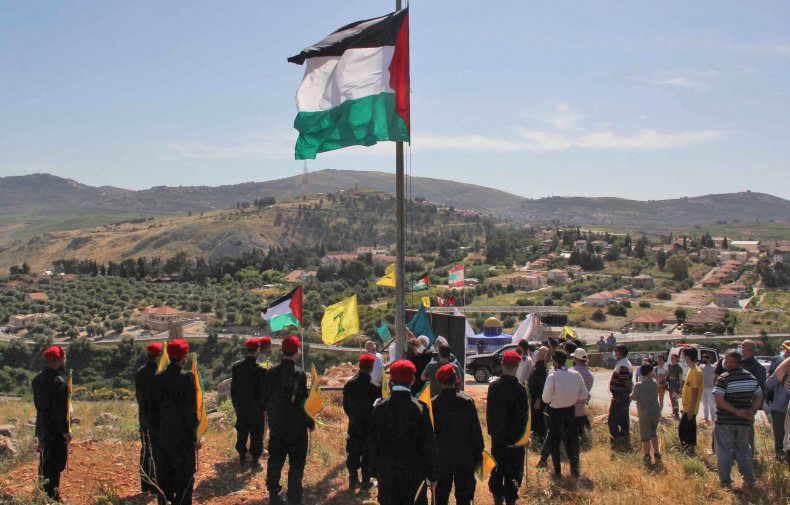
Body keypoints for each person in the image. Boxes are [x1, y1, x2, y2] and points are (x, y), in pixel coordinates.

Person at [369, 360, 438, 505]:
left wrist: (374, 471)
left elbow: (372, 442)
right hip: (414, 475)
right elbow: (428, 445)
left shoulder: (380, 408)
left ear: (391, 380)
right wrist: (433, 476)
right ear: (412, 380)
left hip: (387, 473)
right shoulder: (420, 409)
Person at [264, 336, 315, 505]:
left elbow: (267, 398)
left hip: (277, 424)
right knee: (296, 461)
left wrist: (270, 416)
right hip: (296, 427)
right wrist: (310, 422)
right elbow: (302, 401)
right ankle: (294, 497)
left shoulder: (271, 372)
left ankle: (273, 494)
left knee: (276, 458)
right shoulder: (299, 373)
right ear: (297, 351)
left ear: (282, 351)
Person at [150, 339, 198, 505]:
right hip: (183, 438)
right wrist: (195, 435)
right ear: (184, 357)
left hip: (163, 436)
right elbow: (191, 411)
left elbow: (153, 410)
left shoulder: (157, 378)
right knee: (185, 480)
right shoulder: (187, 379)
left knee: (165, 479)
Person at [432, 364, 484, 505]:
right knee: (464, 497)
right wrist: (478, 453)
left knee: (441, 497)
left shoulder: (433, 404)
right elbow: (475, 431)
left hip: (442, 458)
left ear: (439, 382)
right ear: (456, 379)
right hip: (464, 457)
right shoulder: (466, 402)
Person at [712, 349, 763, 488]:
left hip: (725, 422)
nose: (724, 362)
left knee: (724, 451)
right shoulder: (750, 377)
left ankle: (726, 482)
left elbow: (718, 400)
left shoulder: (724, 378)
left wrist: (735, 411)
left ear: (732, 362)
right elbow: (759, 395)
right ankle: (749, 479)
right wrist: (751, 411)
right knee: (744, 450)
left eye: (726, 360)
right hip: (744, 422)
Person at [487, 351, 528, 505]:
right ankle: (510, 499)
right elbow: (524, 416)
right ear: (516, 366)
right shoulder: (520, 389)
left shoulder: (494, 386)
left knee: (497, 468)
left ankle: (497, 497)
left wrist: (492, 431)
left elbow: (490, 412)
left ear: (502, 365)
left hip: (498, 437)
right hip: (515, 439)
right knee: (513, 470)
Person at [32, 346, 71, 502]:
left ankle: (42, 492)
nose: (65, 360)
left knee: (44, 460)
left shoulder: (37, 379)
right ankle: (52, 496)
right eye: (64, 358)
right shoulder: (58, 383)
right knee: (55, 463)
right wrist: (65, 431)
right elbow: (60, 411)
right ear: (59, 360)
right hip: (55, 429)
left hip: (41, 426)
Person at [541, 350, 588, 479]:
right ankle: (574, 469)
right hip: (570, 411)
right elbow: (584, 394)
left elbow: (545, 398)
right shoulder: (576, 374)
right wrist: (572, 397)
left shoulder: (552, 376)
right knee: (571, 441)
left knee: (555, 442)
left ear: (554, 361)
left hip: (556, 412)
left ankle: (557, 471)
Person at [342, 354, 381, 491]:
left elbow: (345, 406)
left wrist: (353, 416)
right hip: (369, 426)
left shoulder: (349, 384)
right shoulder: (376, 386)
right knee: (367, 454)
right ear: (371, 369)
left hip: (354, 424)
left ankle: (353, 479)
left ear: (359, 366)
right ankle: (365, 481)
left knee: (353, 453)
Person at [231, 337, 267, 471]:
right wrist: (264, 408)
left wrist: (235, 404)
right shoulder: (261, 370)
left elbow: (233, 388)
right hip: (256, 408)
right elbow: (263, 392)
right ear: (257, 350)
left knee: (242, 431)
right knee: (256, 433)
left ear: (246, 350)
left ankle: (242, 456)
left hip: (241, 406)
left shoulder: (237, 367)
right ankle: (255, 461)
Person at [135, 342, 163, 494]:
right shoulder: (159, 374)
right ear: (159, 356)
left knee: (145, 451)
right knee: (157, 452)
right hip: (157, 419)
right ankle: (155, 484)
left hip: (144, 417)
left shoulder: (139, 372)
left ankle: (145, 484)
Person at [630, 364, 662, 465]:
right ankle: (657, 454)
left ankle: (647, 456)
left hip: (644, 413)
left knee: (645, 435)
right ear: (649, 372)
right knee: (653, 433)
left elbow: (633, 397)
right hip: (655, 411)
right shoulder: (654, 382)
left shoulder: (639, 385)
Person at [766, 342, 790, 461]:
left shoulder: (780, 365)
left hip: (780, 407)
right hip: (781, 407)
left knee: (780, 435)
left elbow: (769, 383)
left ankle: (781, 457)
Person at [679, 347, 703, 453]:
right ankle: (688, 449)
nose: (683, 358)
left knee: (685, 429)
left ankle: (689, 449)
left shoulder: (696, 371)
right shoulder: (691, 369)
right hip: (687, 406)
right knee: (686, 429)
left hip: (690, 407)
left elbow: (695, 392)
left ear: (688, 357)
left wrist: (690, 409)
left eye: (684, 356)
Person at [570, 348, 594, 439]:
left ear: (575, 359)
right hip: (581, 409)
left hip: (570, 408)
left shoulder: (571, 372)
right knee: (580, 433)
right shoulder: (590, 376)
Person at [527, 346, 549, 442]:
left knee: (538, 419)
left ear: (543, 355)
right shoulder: (536, 365)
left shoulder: (542, 369)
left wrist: (538, 399)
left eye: (539, 351)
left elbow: (541, 386)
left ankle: (539, 438)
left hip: (537, 398)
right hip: (532, 396)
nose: (537, 352)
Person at [701, 355, 717, 422]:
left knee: (711, 403)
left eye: (705, 359)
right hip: (703, 387)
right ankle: (706, 417)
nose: (704, 360)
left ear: (708, 359)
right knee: (704, 403)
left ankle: (713, 417)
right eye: (703, 359)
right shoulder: (701, 367)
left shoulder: (713, 367)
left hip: (710, 387)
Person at [667, 353, 683, 419]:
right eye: (671, 358)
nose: (672, 359)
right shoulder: (669, 366)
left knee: (675, 399)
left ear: (677, 359)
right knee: (671, 398)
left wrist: (681, 387)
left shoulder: (679, 368)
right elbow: (668, 374)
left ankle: (676, 413)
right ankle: (673, 412)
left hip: (676, 385)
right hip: (670, 384)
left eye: (673, 358)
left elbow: (680, 379)